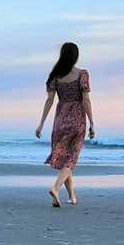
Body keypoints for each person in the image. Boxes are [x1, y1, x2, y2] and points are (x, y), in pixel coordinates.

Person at [35, 41, 95, 207]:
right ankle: (56, 188)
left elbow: (49, 101)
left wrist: (40, 124)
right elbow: (86, 100)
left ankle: (72, 196)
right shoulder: (82, 74)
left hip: (60, 120)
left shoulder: (55, 76)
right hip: (77, 120)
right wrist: (92, 123)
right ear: (76, 56)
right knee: (71, 160)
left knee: (67, 160)